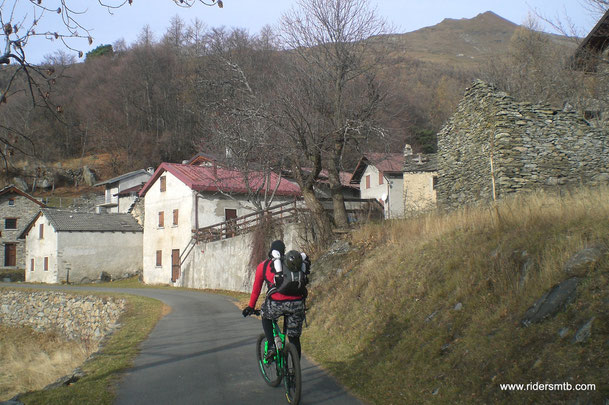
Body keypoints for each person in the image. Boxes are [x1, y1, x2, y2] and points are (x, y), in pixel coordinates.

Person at [242, 240, 308, 359]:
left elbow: (256, 288)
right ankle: (294, 372)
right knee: (294, 338)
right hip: (297, 303)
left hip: (276, 303)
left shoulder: (263, 266)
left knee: (266, 315)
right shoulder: (291, 264)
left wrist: (251, 307)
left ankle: (272, 345)